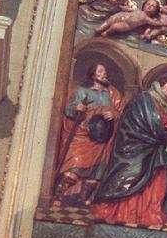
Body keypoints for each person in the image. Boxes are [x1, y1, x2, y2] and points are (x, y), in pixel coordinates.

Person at [92, 79, 167, 227]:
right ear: (158, 86)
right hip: (135, 148)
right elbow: (153, 120)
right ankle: (120, 212)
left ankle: (147, 213)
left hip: (155, 152)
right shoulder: (145, 99)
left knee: (157, 182)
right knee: (129, 177)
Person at [53, 63, 123, 206]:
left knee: (96, 171)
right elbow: (69, 109)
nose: (105, 73)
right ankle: (58, 196)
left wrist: (114, 114)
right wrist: (77, 108)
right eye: (101, 71)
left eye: (105, 71)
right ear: (93, 75)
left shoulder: (112, 93)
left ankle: (82, 199)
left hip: (103, 137)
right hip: (84, 134)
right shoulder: (82, 91)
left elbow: (120, 111)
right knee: (75, 163)